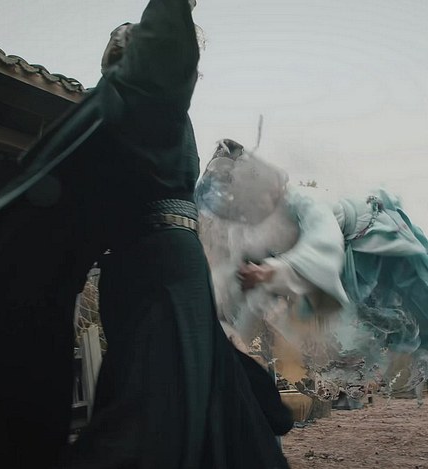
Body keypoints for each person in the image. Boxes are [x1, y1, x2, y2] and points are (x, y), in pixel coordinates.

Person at [63, 2, 290, 468]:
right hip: (136, 265)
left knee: (155, 397)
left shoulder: (152, 97)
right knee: (155, 382)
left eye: (125, 44)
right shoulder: (110, 105)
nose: (114, 49)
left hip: (163, 262)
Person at [196, 139, 428, 392]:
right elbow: (240, 284)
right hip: (345, 276)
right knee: (391, 331)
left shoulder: (300, 199)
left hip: (377, 245)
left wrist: (274, 272)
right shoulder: (249, 232)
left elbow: (324, 241)